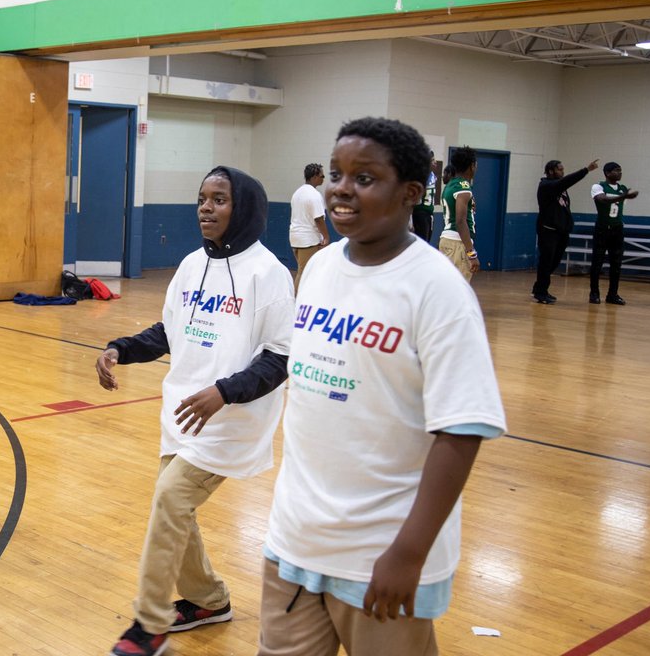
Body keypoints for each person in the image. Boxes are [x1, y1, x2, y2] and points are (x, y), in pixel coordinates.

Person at [259, 117, 506, 656]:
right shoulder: (319, 269)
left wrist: (409, 554)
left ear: (411, 193)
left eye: (365, 177)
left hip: (381, 556)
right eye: (337, 173)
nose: (342, 188)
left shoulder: (437, 290)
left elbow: (460, 433)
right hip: (294, 540)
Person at [96, 166, 295, 656]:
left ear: (243, 208)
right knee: (173, 507)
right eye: (202, 198)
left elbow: (280, 358)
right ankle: (208, 600)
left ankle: (150, 622)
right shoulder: (189, 266)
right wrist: (119, 348)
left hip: (232, 418)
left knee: (170, 498)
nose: (206, 208)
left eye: (219, 200)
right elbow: (167, 332)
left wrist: (223, 392)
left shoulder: (268, 273)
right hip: (183, 412)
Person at [532, 157, 600, 304]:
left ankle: (539, 287)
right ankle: (541, 292)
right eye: (560, 169)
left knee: (554, 262)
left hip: (561, 231)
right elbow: (567, 181)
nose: (563, 172)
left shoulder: (558, 187)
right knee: (546, 261)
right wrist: (586, 170)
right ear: (550, 171)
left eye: (563, 169)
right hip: (548, 230)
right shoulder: (546, 186)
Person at [588, 162, 639, 305]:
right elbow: (602, 200)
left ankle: (612, 294)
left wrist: (624, 196)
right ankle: (594, 293)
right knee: (597, 262)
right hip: (602, 228)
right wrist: (623, 197)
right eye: (617, 171)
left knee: (616, 263)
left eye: (621, 170)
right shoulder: (598, 187)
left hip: (617, 229)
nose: (620, 173)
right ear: (607, 173)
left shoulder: (622, 189)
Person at [438, 146, 478, 282]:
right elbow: (460, 222)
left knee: (447, 288)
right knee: (459, 291)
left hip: (446, 240)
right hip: (457, 244)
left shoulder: (451, 185)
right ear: (472, 166)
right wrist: (471, 253)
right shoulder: (464, 187)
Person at [289, 163, 329, 290]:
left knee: (305, 271)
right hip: (308, 240)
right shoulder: (314, 195)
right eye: (322, 176)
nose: (323, 179)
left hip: (295, 238)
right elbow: (318, 218)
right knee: (304, 272)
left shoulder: (298, 193)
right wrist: (326, 237)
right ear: (315, 176)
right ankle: (295, 303)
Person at [411, 151, 438, 246]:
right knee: (420, 245)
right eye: (432, 160)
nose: (435, 162)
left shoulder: (433, 176)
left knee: (427, 242)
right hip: (419, 213)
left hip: (429, 214)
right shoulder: (420, 176)